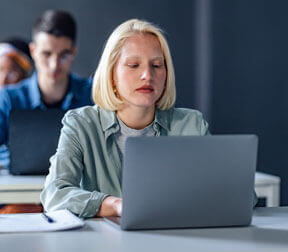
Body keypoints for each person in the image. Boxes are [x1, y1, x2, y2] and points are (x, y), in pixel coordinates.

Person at [40, 19, 210, 218]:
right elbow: (54, 195)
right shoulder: (81, 123)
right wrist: (114, 205)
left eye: (156, 65)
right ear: (112, 74)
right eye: (133, 65)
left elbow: (235, 196)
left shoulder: (192, 125)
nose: (147, 75)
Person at [0, 10, 93, 214]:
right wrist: (14, 158)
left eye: (64, 55)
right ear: (33, 51)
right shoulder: (8, 98)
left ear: (74, 52)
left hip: (78, 196)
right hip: (20, 199)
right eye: (46, 53)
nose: (54, 65)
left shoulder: (93, 94)